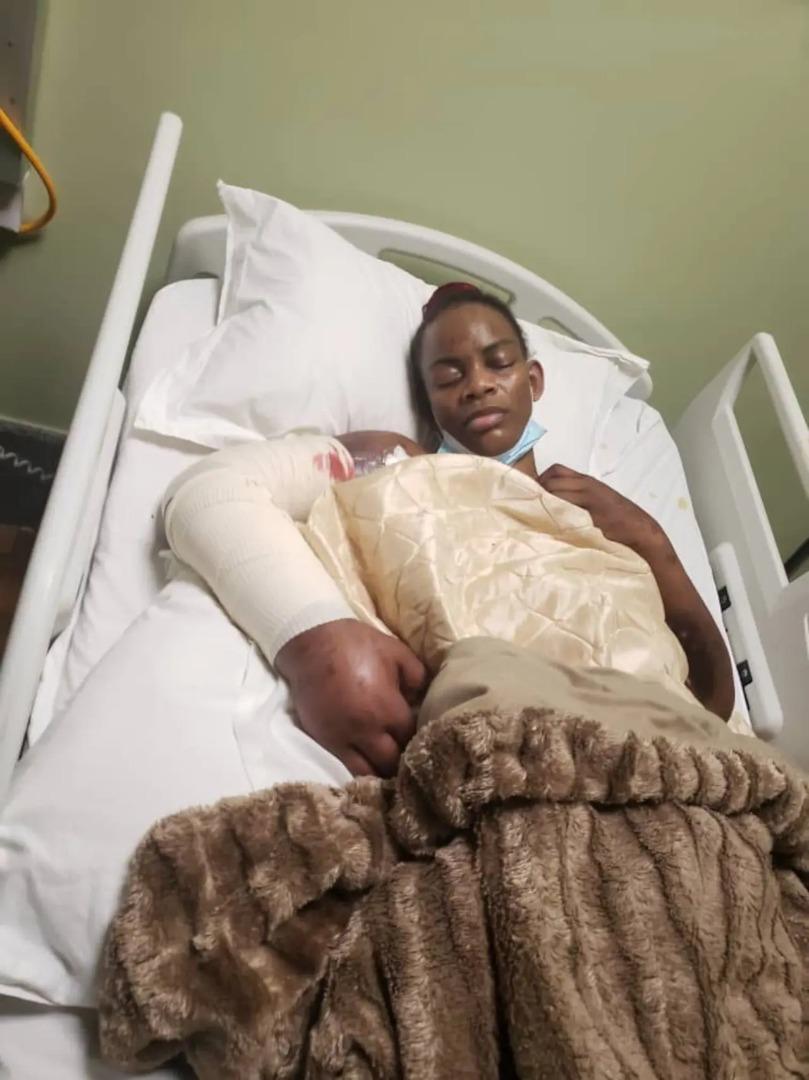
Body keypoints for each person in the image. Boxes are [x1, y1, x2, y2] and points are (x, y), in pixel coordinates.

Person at [167, 283, 735, 779]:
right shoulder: (399, 465)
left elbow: (711, 704)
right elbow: (212, 494)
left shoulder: (595, 511)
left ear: (533, 379)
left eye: (499, 363)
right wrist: (314, 642)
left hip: (675, 758)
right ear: (428, 400)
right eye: (449, 376)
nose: (479, 385)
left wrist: (655, 545)